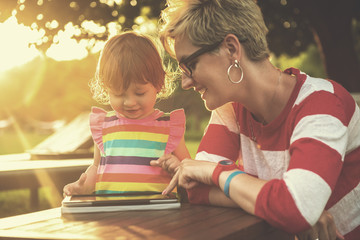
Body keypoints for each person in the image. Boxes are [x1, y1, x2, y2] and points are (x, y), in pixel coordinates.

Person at [151, 0, 360, 239]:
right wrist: (283, 199)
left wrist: (217, 173)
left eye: (190, 65)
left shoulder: (322, 103)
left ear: (231, 49)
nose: (186, 82)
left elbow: (295, 209)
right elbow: (196, 189)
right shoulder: (229, 108)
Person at [63, 31, 190, 197]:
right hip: (110, 213)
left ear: (158, 84)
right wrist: (82, 187)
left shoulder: (168, 127)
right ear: (106, 88)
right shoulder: (104, 126)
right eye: (118, 94)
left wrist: (178, 167)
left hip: (158, 214)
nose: (129, 102)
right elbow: (97, 167)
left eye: (139, 93)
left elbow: (189, 171)